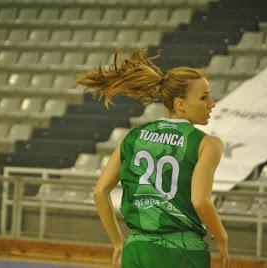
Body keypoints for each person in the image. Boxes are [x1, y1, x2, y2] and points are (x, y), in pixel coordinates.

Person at [75, 49, 230, 268]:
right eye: (204, 97)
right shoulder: (208, 143)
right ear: (180, 104)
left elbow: (100, 192)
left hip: (137, 249)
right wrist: (222, 238)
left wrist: (118, 244)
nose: (212, 103)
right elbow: (200, 201)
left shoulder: (134, 135)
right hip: (183, 252)